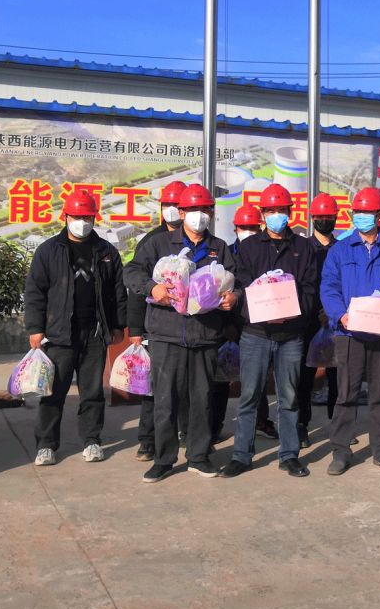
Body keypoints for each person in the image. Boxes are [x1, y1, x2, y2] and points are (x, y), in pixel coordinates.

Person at [124, 183, 237, 482]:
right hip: (166, 334)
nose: (199, 215)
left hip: (205, 335)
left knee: (202, 399)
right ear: (182, 212)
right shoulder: (159, 243)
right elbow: (131, 271)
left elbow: (235, 281)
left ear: (211, 212)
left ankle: (198, 456)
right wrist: (152, 287)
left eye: (204, 209)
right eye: (193, 209)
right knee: (165, 400)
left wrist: (233, 297)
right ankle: (163, 459)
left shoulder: (219, 247)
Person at [219, 184, 317, 478]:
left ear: (290, 212)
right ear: (262, 214)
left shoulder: (304, 248)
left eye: (281, 210)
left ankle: (289, 455)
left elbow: (310, 290)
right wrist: (261, 312)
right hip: (256, 334)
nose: (277, 215)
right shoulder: (249, 247)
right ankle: (241, 455)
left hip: (291, 335)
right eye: (271, 210)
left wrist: (288, 310)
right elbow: (241, 287)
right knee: (249, 395)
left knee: (289, 397)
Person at [25, 189, 127, 466]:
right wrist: (35, 328)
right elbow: (35, 291)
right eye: (77, 217)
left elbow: (117, 291)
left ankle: (92, 441)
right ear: (65, 217)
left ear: (94, 218)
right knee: (53, 392)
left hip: (94, 332)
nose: (82, 222)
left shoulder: (106, 251)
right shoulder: (49, 251)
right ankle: (46, 445)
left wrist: (118, 325)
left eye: (87, 217)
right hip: (59, 334)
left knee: (92, 392)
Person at [320, 187, 380, 475]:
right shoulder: (340, 249)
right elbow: (329, 286)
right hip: (349, 334)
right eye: (358, 212)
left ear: (379, 215)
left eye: (368, 212)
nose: (362, 216)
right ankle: (340, 451)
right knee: (346, 394)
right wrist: (340, 315)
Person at [130, 180, 185, 462]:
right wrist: (135, 329)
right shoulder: (152, 242)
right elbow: (136, 287)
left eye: (177, 204)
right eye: (168, 204)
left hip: (189, 328)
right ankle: (148, 440)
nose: (172, 209)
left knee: (188, 387)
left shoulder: (199, 241)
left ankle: (189, 435)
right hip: (159, 326)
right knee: (156, 388)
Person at [297, 192, 340, 446]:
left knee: (338, 375)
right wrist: (313, 311)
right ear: (313, 218)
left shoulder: (341, 248)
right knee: (305, 376)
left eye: (329, 216)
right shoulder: (303, 248)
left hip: (336, 318)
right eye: (321, 216)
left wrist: (332, 311)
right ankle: (302, 424)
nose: (325, 220)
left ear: (336, 218)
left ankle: (338, 424)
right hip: (308, 319)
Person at [228, 204, 272, 442]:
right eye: (243, 227)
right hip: (228, 322)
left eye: (253, 228)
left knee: (257, 378)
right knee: (221, 378)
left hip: (256, 322)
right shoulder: (225, 251)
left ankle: (261, 421)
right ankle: (214, 426)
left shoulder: (264, 252)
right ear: (235, 228)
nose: (248, 232)